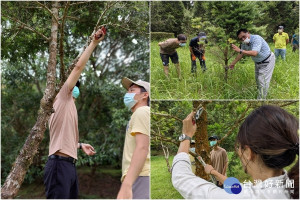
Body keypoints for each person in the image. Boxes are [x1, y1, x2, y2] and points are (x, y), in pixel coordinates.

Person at [172, 105, 299, 199]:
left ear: (248, 153)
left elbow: (180, 178)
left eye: (239, 146)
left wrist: (186, 135)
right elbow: (238, 189)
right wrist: (213, 172)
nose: (238, 151)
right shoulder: (290, 185)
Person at [44, 28, 105, 198]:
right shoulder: (62, 96)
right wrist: (94, 42)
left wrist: (79, 145)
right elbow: (78, 67)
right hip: (59, 166)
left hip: (68, 165)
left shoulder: (69, 106)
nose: (75, 89)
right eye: (74, 86)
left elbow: (61, 137)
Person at [117, 77, 150, 199]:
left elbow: (142, 148)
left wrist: (127, 184)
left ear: (144, 95)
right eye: (127, 91)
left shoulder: (142, 111)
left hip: (141, 176)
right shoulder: (140, 113)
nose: (127, 94)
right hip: (139, 175)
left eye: (132, 90)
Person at [230, 29, 275, 99]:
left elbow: (254, 53)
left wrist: (240, 50)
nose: (243, 39)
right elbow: (241, 54)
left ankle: (261, 100)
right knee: (258, 80)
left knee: (262, 81)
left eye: (244, 36)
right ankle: (260, 94)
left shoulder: (256, 39)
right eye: (241, 39)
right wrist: (233, 63)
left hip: (267, 61)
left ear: (248, 33)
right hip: (258, 62)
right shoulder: (244, 43)